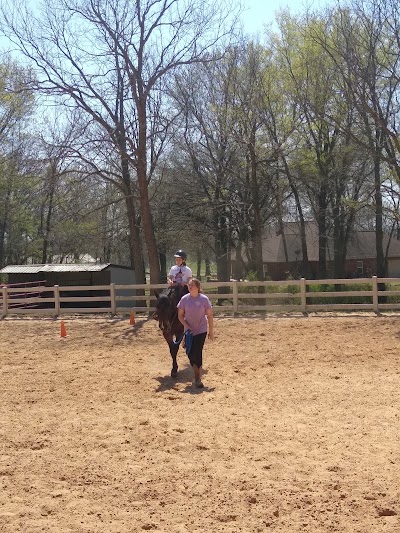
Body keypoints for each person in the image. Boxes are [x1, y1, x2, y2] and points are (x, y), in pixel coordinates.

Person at [177, 278, 214, 388]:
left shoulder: (204, 299)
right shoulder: (184, 299)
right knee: (190, 353)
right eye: (189, 285)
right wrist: (186, 325)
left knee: (197, 352)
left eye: (192, 285)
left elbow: (210, 315)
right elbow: (180, 315)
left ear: (197, 287)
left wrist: (211, 330)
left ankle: (197, 378)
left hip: (201, 330)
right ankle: (197, 374)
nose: (190, 287)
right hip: (189, 331)